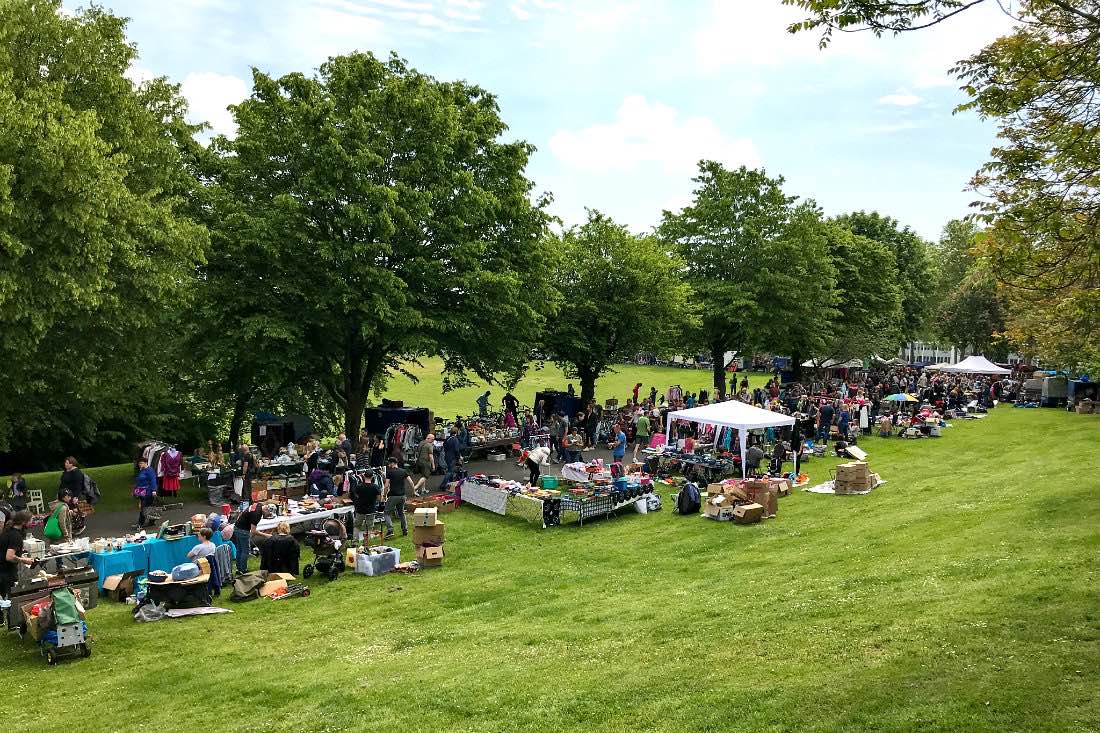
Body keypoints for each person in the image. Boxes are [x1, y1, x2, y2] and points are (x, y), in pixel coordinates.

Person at [0, 511, 35, 620]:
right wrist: (23, 560)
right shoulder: (16, 536)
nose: (32, 522)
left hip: (1, 568)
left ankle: (1, 621)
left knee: (1, 594)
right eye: (31, 520)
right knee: (13, 597)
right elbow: (9, 557)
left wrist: (20, 552)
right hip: (7, 570)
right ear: (24, 522)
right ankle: (13, 623)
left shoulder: (7, 531)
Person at [232, 501, 269, 574]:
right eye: (268, 513)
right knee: (245, 551)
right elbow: (253, 531)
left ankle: (239, 569)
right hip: (243, 531)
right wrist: (266, 535)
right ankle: (243, 570)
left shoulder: (259, 504)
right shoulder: (257, 515)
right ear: (266, 509)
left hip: (237, 527)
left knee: (239, 549)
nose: (267, 515)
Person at [383, 457, 411, 539]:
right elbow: (411, 482)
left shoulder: (390, 472)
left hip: (393, 496)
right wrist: (413, 491)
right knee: (401, 512)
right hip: (402, 496)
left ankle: (390, 530)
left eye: (389, 463)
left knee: (386, 513)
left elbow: (386, 486)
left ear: (392, 463)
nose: (388, 465)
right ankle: (405, 529)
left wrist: (384, 495)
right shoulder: (403, 471)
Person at [351, 470, 381, 541]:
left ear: (364, 476)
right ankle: (366, 541)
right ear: (373, 477)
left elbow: (356, 496)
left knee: (357, 526)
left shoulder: (359, 487)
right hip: (371, 510)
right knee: (369, 527)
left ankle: (355, 540)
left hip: (360, 509)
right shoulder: (376, 487)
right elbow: (379, 499)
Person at [133, 456, 158, 528]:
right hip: (141, 490)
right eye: (139, 463)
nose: (140, 465)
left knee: (144, 507)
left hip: (148, 491)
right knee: (147, 506)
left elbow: (153, 480)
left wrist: (154, 490)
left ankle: (140, 523)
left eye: (141, 463)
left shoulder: (150, 470)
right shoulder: (142, 470)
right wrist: (136, 491)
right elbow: (139, 481)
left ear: (145, 463)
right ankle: (152, 521)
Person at [438, 427, 463, 492]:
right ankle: (443, 485)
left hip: (447, 456)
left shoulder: (447, 438)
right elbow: (456, 450)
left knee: (450, 470)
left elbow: (444, 446)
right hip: (452, 457)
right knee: (450, 471)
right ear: (456, 432)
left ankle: (451, 485)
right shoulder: (455, 439)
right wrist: (459, 458)